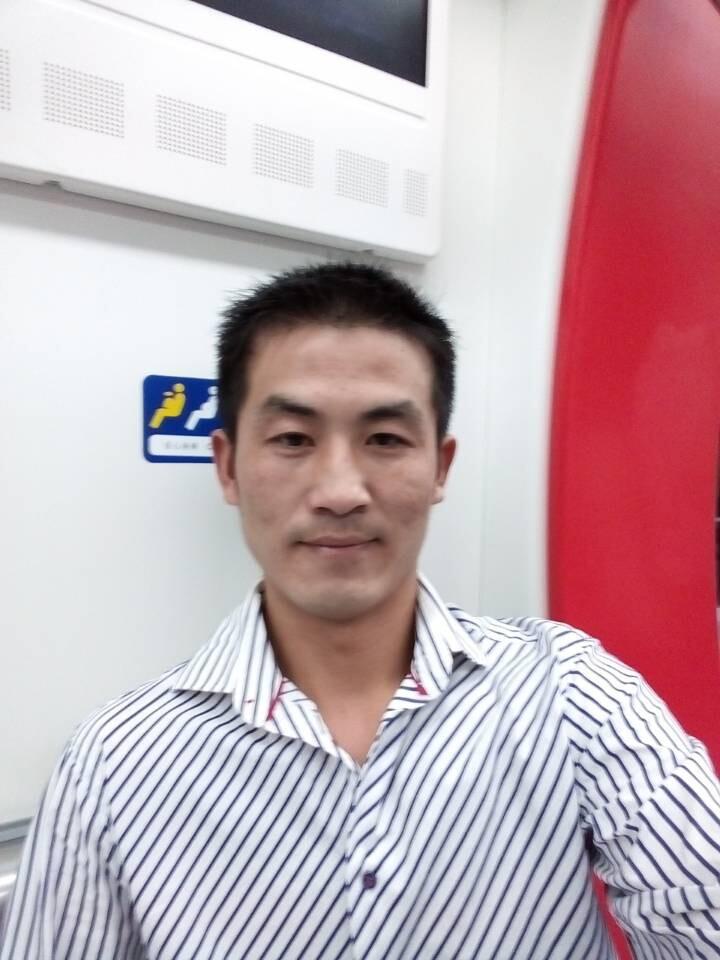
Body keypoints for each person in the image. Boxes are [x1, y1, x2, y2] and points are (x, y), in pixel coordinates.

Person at [2, 262, 719, 959]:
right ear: (227, 466)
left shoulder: (570, 693)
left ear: (440, 467)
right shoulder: (114, 763)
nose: (341, 491)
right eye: (292, 439)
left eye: (385, 440)